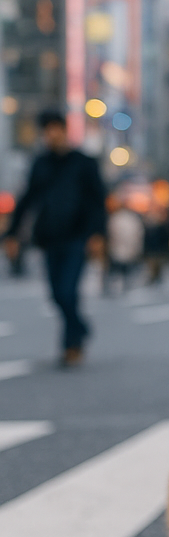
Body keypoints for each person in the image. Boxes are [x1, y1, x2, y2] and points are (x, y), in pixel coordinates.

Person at [2, 110, 107, 366]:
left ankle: (71, 344)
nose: (49, 135)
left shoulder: (83, 162)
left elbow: (97, 201)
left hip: (77, 237)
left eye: (53, 129)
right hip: (49, 238)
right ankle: (79, 327)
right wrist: (12, 234)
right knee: (56, 294)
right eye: (45, 130)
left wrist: (97, 234)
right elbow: (27, 200)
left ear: (63, 129)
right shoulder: (41, 164)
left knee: (68, 291)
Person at [105, 199, 145, 294]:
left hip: (118, 247)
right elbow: (139, 234)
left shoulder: (115, 217)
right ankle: (122, 285)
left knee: (117, 269)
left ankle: (115, 286)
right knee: (125, 268)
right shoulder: (132, 218)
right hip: (126, 247)